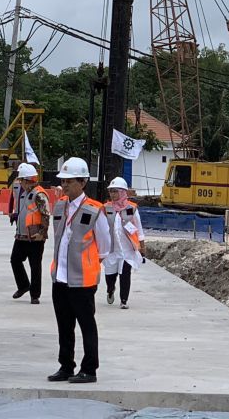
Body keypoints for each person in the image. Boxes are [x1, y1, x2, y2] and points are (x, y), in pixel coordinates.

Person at [47, 157, 110, 385]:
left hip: (82, 280)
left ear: (82, 182)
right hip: (60, 277)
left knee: (86, 325)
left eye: (69, 181)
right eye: (63, 181)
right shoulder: (60, 205)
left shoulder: (95, 210)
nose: (64, 186)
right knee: (64, 326)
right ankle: (66, 365)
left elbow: (104, 245)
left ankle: (89, 368)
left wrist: (89, 265)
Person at [10, 162, 50, 303]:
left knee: (35, 265)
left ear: (28, 180)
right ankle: (23, 285)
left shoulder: (39, 194)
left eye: (21, 180)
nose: (20, 183)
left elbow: (45, 215)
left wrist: (42, 233)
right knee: (15, 260)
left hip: (35, 237)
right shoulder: (24, 194)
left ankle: (35, 295)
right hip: (21, 235)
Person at [104, 176, 146, 309]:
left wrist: (142, 246)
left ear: (123, 192)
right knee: (110, 276)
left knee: (125, 274)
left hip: (127, 249)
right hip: (112, 249)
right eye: (111, 191)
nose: (112, 194)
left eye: (115, 191)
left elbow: (138, 228)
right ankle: (110, 290)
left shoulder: (131, 208)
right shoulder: (106, 208)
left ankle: (124, 300)